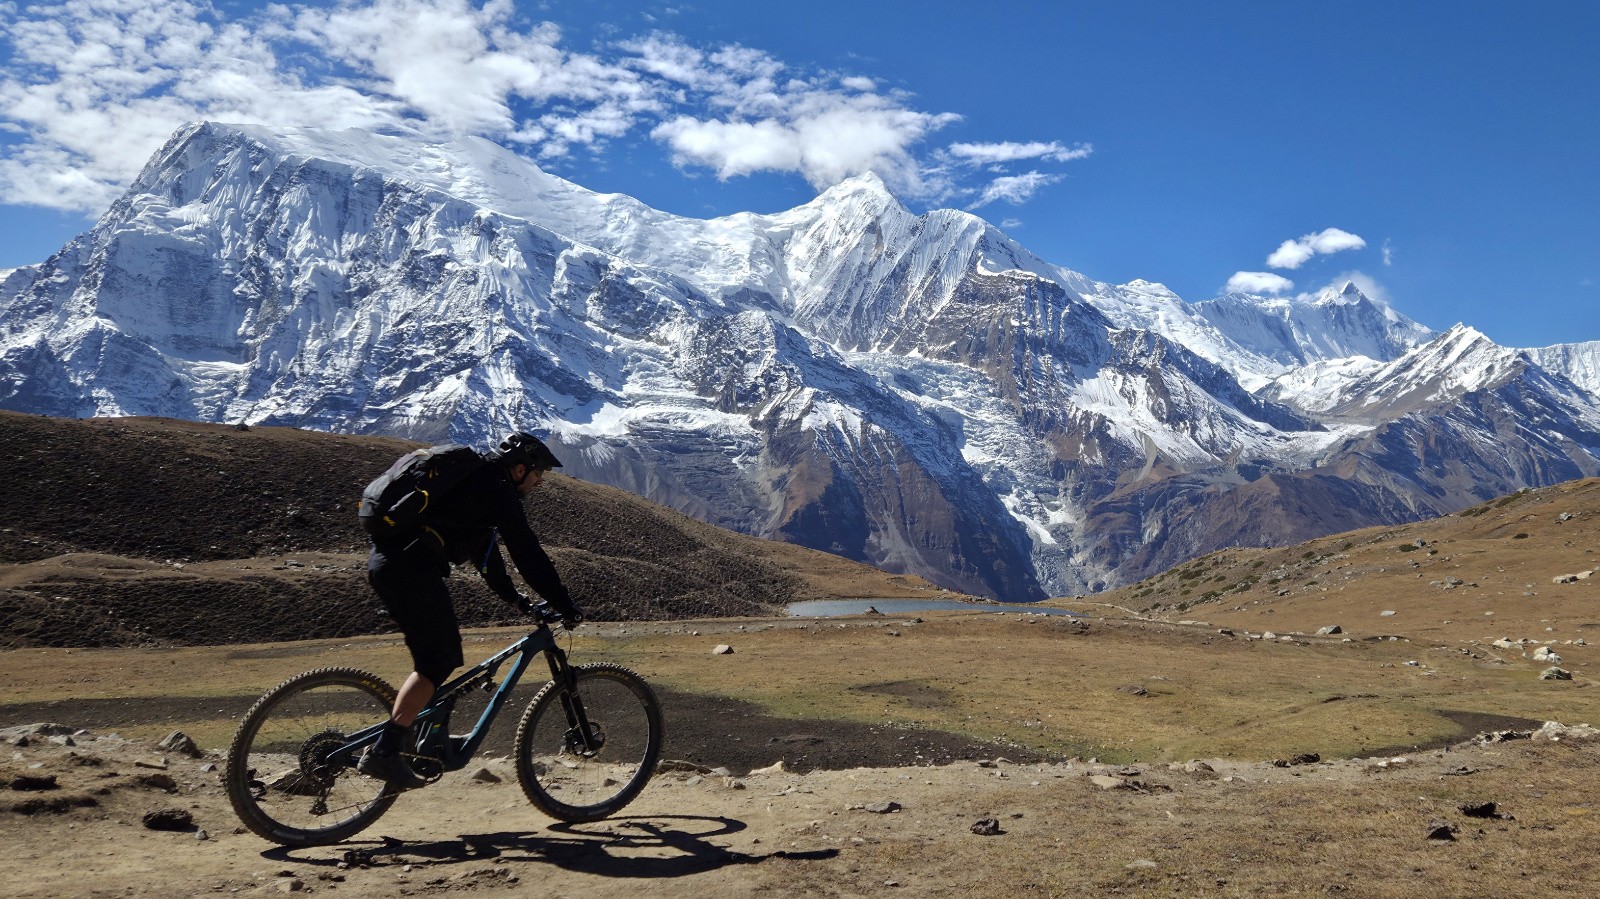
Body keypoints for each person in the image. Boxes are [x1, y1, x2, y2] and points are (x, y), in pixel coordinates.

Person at [358, 431, 583, 789]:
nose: (539, 484)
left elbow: (488, 559)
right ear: (520, 468)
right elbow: (527, 553)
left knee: (440, 657)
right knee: (438, 662)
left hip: (391, 564)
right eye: (539, 475)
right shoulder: (497, 490)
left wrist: (520, 602)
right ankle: (385, 751)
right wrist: (565, 604)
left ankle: (422, 734)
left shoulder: (475, 487)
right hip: (409, 570)